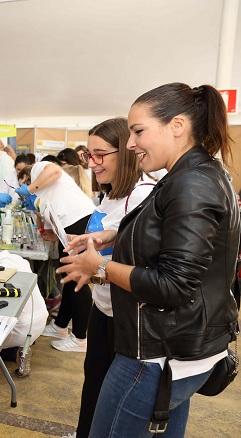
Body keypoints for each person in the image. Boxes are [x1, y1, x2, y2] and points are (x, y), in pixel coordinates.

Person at [59, 83, 239, 437]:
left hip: (156, 352)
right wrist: (113, 235)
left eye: (139, 131)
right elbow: (169, 236)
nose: (130, 143)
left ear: (177, 126)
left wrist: (99, 267)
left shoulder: (191, 183)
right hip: (174, 349)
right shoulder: (192, 175)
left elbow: (174, 284)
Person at [71, 118, 155, 438]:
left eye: (99, 154)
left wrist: (97, 266)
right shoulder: (110, 195)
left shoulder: (142, 195)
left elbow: (143, 254)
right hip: (103, 307)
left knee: (113, 398)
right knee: (93, 383)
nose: (92, 163)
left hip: (124, 316)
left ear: (126, 152)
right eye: (88, 155)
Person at [17, 152, 94, 352]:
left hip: (78, 219)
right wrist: (45, 228)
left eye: (23, 182)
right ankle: (60, 326)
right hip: (68, 224)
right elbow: (42, 210)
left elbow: (54, 169)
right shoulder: (42, 189)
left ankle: (80, 338)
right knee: (66, 276)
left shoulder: (39, 170)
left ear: (26, 176)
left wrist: (29, 189)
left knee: (76, 278)